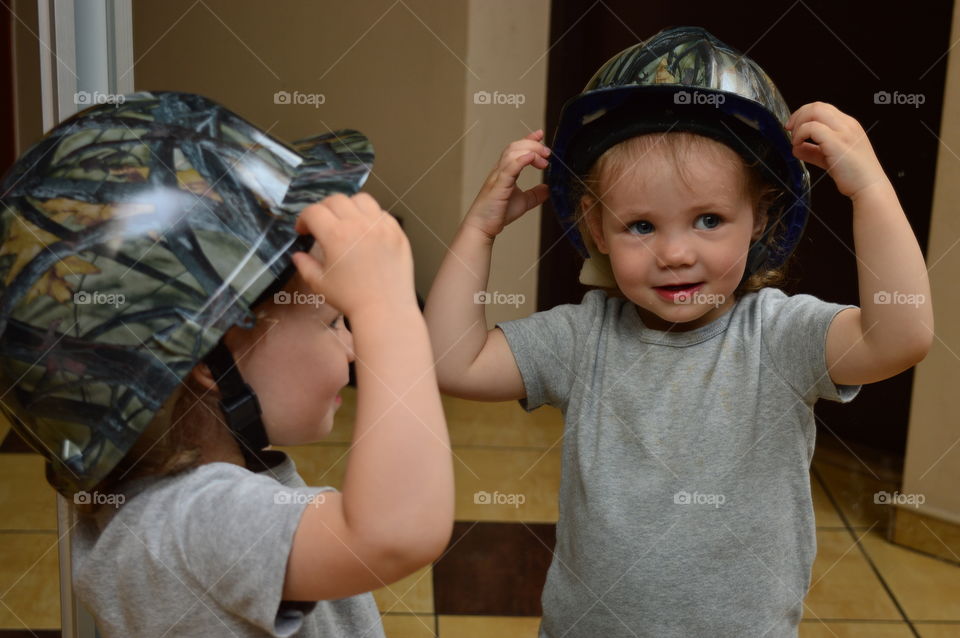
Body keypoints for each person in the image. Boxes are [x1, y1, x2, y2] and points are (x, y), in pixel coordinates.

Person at [424, 26, 932, 637]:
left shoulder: (779, 336)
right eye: (640, 225)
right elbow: (453, 362)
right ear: (596, 227)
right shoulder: (583, 339)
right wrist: (479, 232)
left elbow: (900, 336)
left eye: (709, 219)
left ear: (759, 216)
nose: (674, 253)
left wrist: (869, 189)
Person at [0, 91, 453, 637]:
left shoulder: (155, 510)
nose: (354, 348)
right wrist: (389, 311)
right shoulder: (193, 525)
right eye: (334, 322)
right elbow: (396, 534)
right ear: (210, 361)